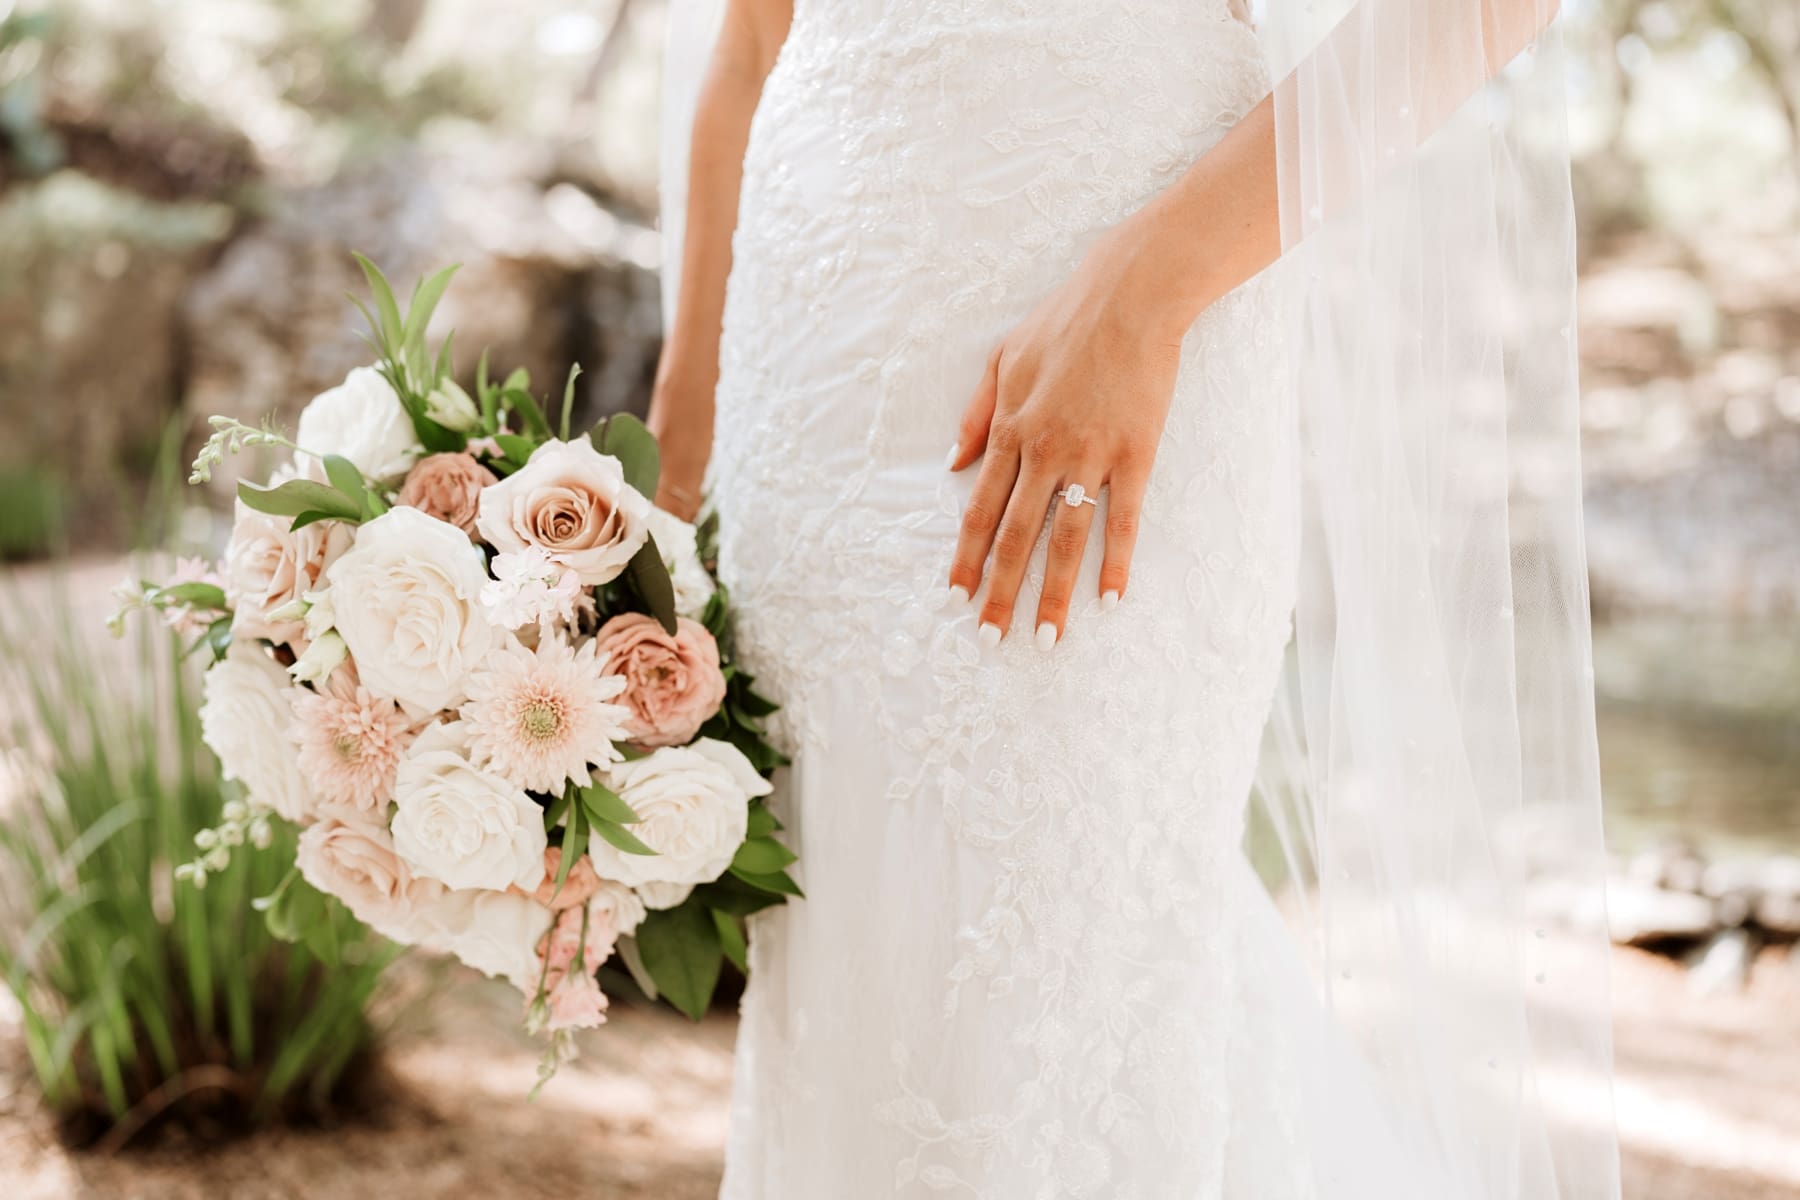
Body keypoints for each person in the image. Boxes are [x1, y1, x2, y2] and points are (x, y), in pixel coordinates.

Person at [648, 1, 1618, 1196]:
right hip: (807, 377)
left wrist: (1150, 285)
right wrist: (662, 482)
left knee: (1057, 973)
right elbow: (752, 38)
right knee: (852, 954)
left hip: (1117, 299)